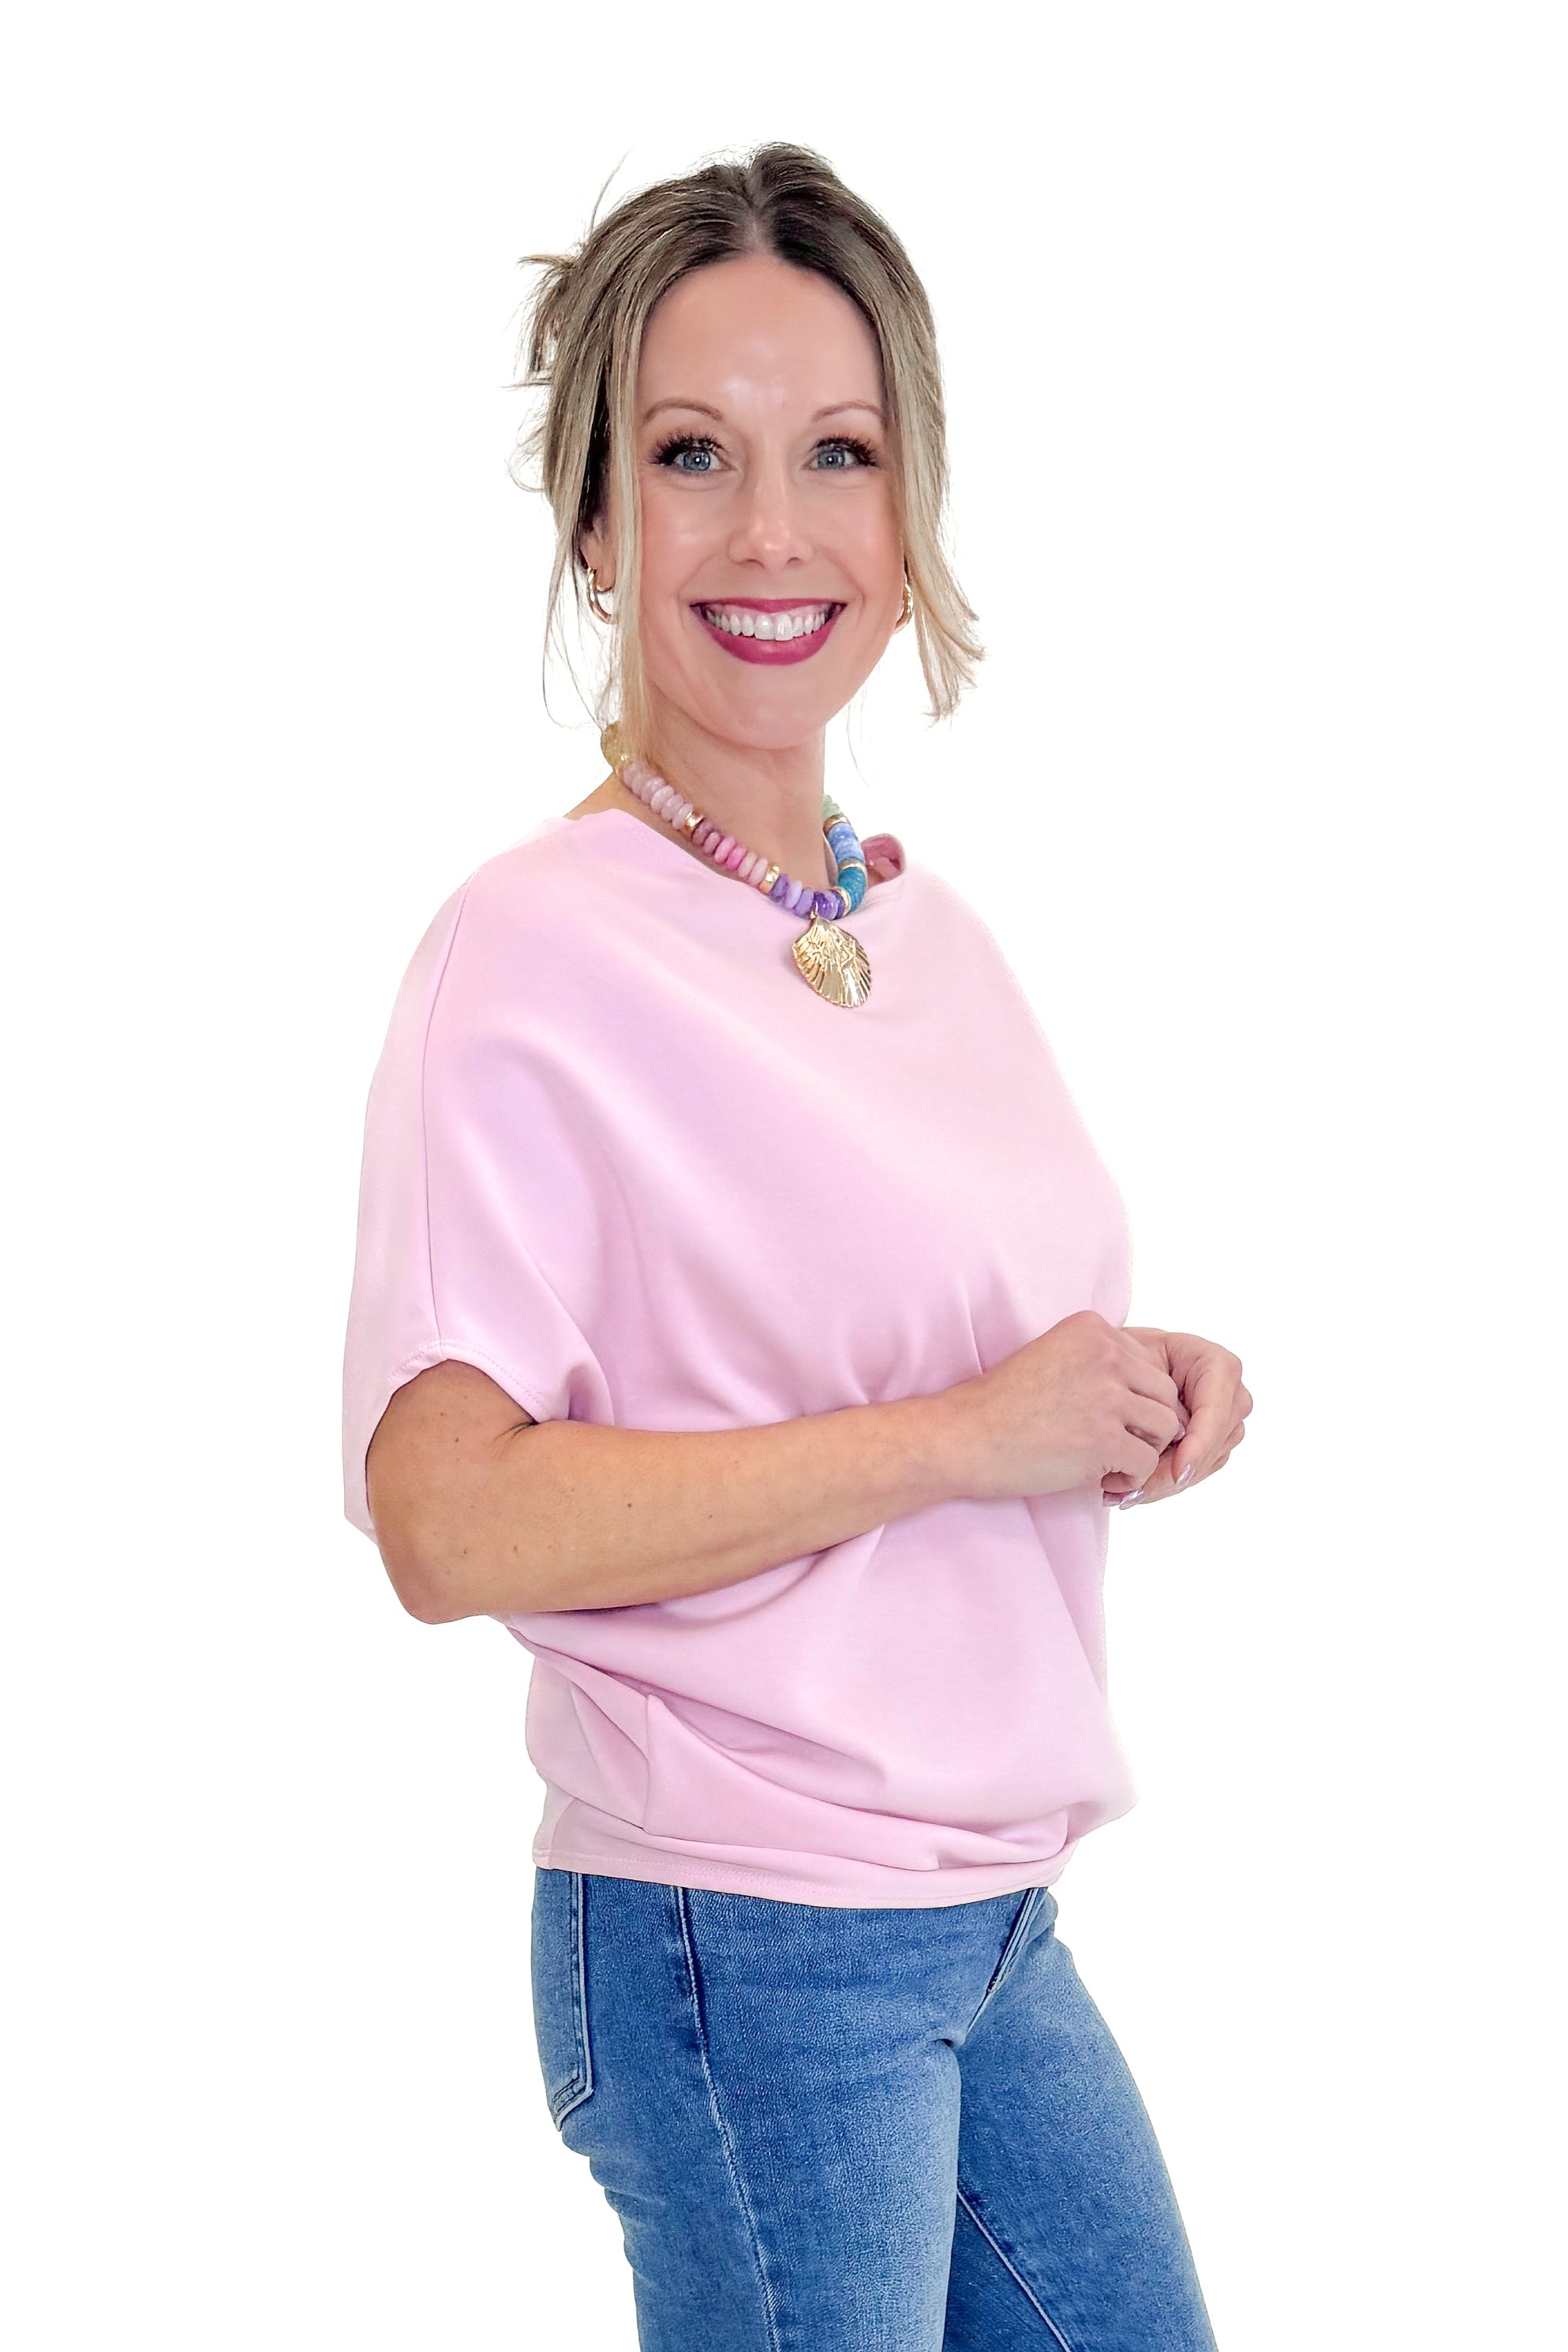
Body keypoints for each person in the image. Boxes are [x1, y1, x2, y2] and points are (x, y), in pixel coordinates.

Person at [340, 140, 1250, 2352]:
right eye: (689, 457)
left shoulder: (914, 928)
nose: (771, 532)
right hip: (736, 1921)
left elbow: (911, 1341)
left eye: (834, 454)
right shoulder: (531, 954)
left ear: (907, 502)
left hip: (985, 1905)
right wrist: (957, 1431)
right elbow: (443, 1513)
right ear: (592, 522)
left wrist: (1116, 1399)